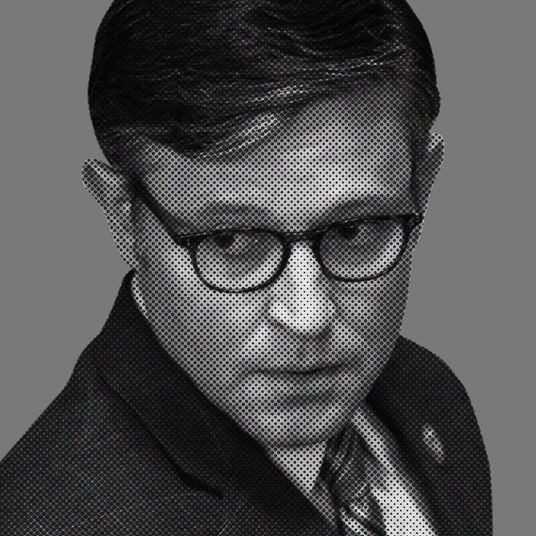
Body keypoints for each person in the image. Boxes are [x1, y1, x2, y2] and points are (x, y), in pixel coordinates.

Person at [0, 1, 491, 535]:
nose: (307, 316)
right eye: (230, 240)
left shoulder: (434, 396)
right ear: (125, 219)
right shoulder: (49, 519)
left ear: (424, 187)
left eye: (354, 230)